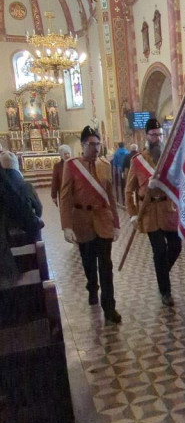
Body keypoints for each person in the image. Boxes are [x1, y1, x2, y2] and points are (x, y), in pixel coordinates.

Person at [59, 126, 121, 324]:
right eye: (91, 144)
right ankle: (92, 286)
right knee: (88, 262)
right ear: (83, 145)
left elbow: (110, 195)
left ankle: (109, 308)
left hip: (103, 220)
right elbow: (65, 196)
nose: (96, 148)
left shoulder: (104, 165)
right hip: (82, 222)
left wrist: (117, 224)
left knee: (106, 264)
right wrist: (66, 226)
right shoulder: (71, 165)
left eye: (98, 144)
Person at [125, 118, 181, 307]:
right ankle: (165, 292)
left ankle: (161, 273)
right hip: (148, 213)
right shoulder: (137, 161)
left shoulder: (169, 159)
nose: (157, 138)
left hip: (168, 210)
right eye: (153, 135)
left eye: (159, 134)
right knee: (159, 250)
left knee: (176, 246)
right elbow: (128, 190)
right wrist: (133, 214)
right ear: (146, 136)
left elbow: (179, 181)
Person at [0, 151, 43, 238]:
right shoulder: (26, 186)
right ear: (16, 165)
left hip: (5, 235)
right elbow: (39, 208)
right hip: (28, 233)